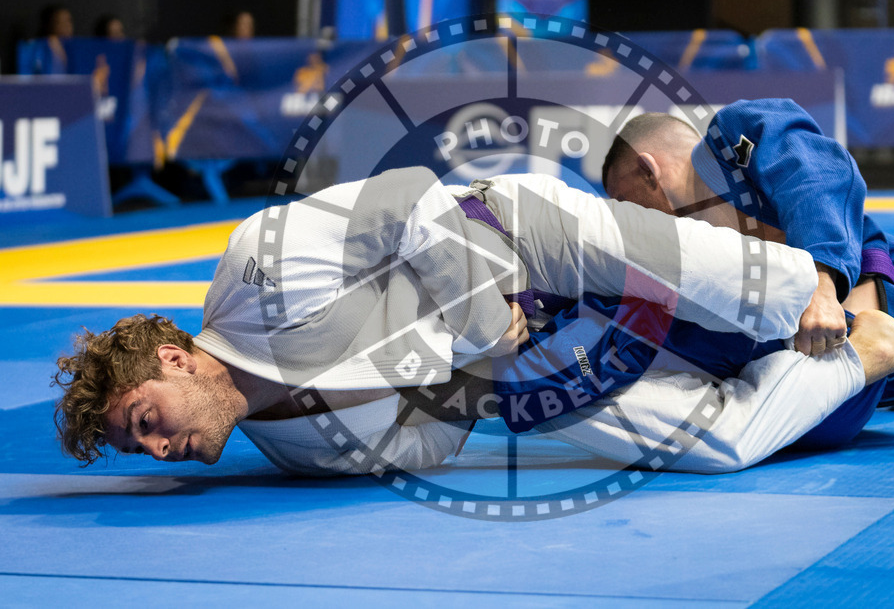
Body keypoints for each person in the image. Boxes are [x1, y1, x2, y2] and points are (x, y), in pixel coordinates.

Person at [54, 166, 822, 473]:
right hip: (516, 359)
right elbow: (422, 446)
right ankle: (863, 366)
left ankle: (841, 293)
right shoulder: (295, 453)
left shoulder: (261, 263)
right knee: (715, 448)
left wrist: (487, 323)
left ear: (173, 359)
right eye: (138, 446)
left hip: (518, 235)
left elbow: (412, 200)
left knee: (739, 280)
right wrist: (484, 367)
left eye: (143, 419)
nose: (157, 449)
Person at [602, 100, 894, 414]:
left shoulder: (733, 134)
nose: (629, 219)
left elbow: (816, 176)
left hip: (854, 292)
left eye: (622, 200)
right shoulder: (678, 249)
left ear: (648, 170)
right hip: (817, 355)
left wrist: (821, 284)